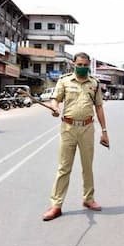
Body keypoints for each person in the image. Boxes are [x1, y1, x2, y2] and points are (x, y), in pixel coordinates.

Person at [43, 52, 110, 221]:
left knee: (87, 166)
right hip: (68, 128)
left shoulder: (94, 83)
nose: (82, 67)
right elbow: (55, 99)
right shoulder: (64, 81)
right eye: (79, 64)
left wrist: (104, 131)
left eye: (85, 65)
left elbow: (99, 107)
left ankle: (88, 199)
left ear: (88, 65)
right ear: (73, 64)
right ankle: (56, 205)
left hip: (87, 128)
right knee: (64, 167)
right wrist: (55, 108)